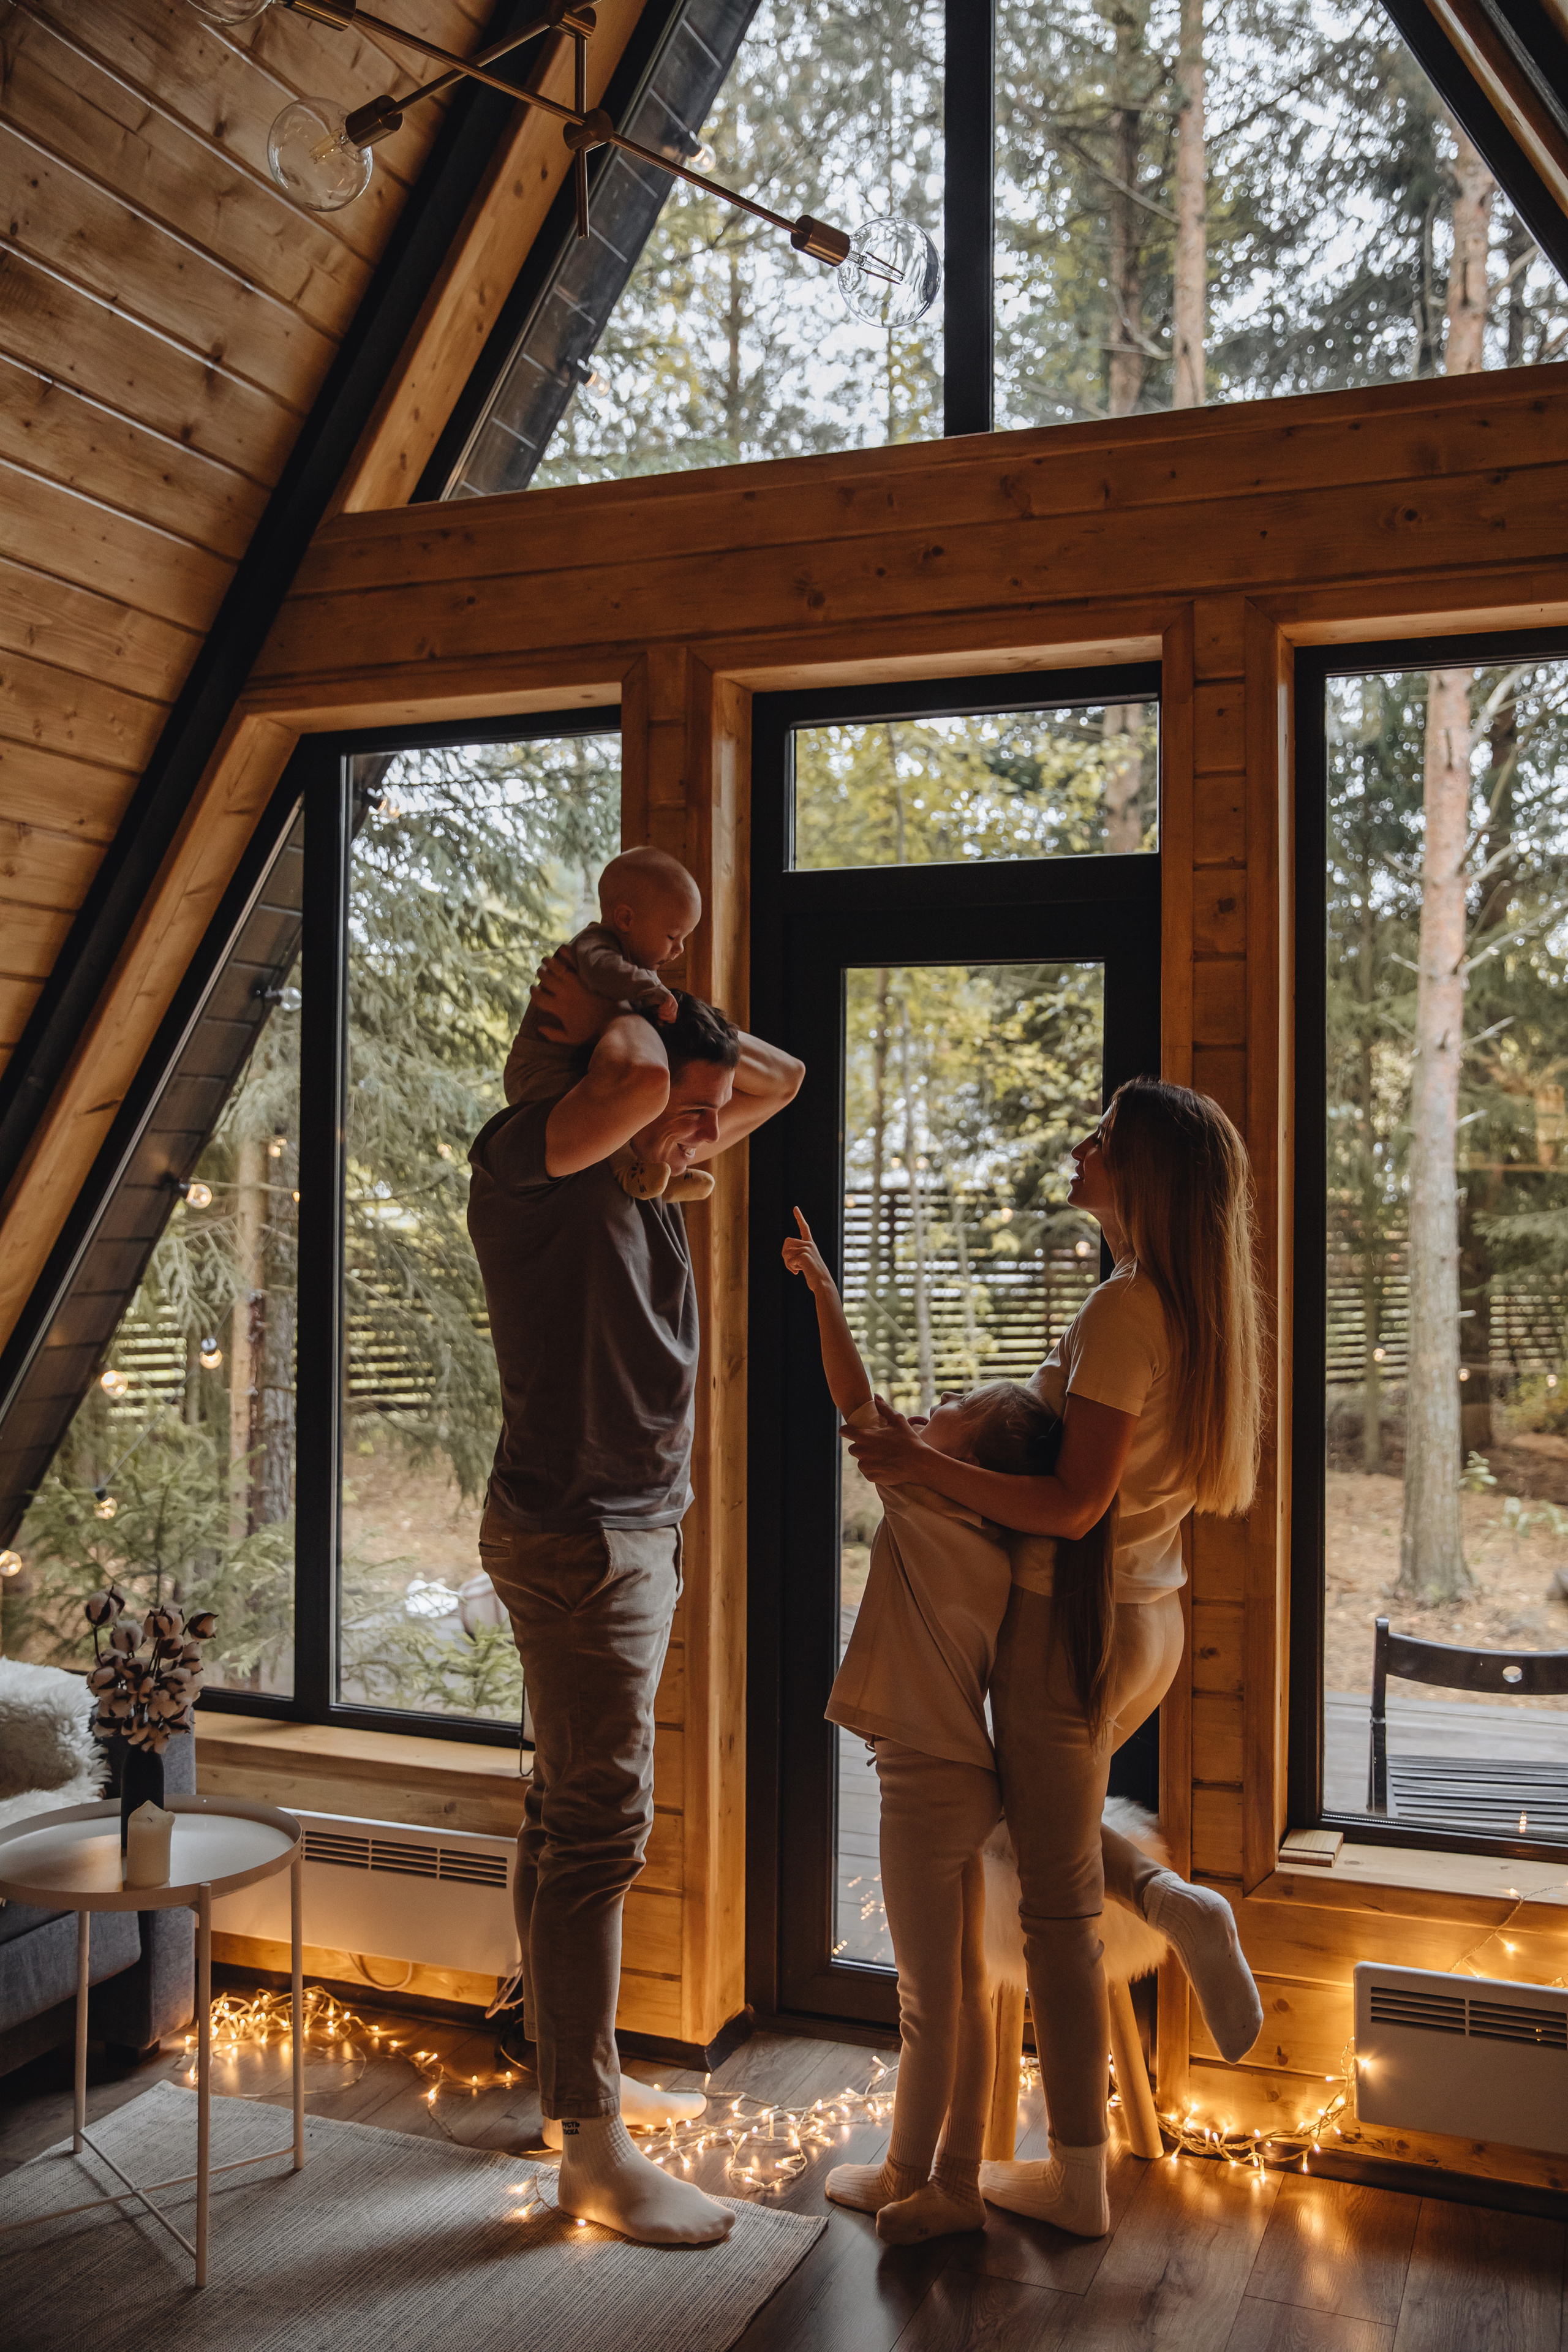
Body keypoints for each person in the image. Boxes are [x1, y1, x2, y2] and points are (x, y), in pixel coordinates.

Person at [846, 1077, 1265, 2239]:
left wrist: (925, 1470)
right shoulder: (1182, 1306)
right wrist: (928, 1437)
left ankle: (1076, 2183)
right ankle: (1173, 1899)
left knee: (1057, 1918)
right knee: (1034, 1830)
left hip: (1075, 1628)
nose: (1082, 1149)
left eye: (1104, 1139)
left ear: (1143, 1177)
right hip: (1149, 1619)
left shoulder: (1128, 1309)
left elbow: (1074, 1504)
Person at [469, 960, 802, 2246]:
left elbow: (778, 1080)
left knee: (564, 1815)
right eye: (677, 1110)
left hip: (624, 1530)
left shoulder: (642, 1175)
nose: (698, 1132)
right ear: (598, 1080)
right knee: (601, 1831)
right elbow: (643, 1082)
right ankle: (590, 2151)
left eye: (699, 1115)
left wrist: (668, 1013)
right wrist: (632, 1021)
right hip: (577, 1540)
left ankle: (565, 2085)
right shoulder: (532, 1163)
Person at [782, 1207, 1099, 2245]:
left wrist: (829, 1299)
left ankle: (907, 2175)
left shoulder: (930, 1504)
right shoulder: (993, 1539)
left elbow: (854, 1397)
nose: (932, 1407)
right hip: (958, 1775)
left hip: (927, 1782)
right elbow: (873, 1408)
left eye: (954, 1405)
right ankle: (946, 2181)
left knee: (932, 1999)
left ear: (979, 1458)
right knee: (955, 1995)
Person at [503, 847, 714, 1202]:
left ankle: (660, 1172)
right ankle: (628, 1169)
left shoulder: (634, 966)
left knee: (623, 1102)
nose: (679, 950)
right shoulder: (596, 946)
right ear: (626, 919)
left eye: (684, 940)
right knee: (604, 1113)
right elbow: (605, 973)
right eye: (672, 936)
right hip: (539, 1072)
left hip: (572, 1066)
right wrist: (654, 991)